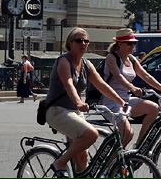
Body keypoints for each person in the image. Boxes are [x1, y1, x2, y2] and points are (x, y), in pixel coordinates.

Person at [44, 27, 127, 177]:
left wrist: (121, 101)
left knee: (83, 158)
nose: (83, 43)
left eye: (86, 40)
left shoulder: (87, 64)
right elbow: (68, 83)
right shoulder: (64, 61)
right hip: (57, 110)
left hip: (74, 112)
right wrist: (79, 102)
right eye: (79, 40)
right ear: (70, 43)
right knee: (91, 134)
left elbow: (102, 85)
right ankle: (60, 163)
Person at [101, 28, 161, 148]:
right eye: (129, 43)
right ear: (119, 44)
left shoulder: (132, 59)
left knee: (154, 108)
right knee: (127, 134)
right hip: (111, 101)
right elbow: (118, 77)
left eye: (134, 43)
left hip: (126, 100)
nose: (132, 46)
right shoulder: (112, 58)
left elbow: (146, 76)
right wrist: (133, 88)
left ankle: (138, 146)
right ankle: (111, 163)